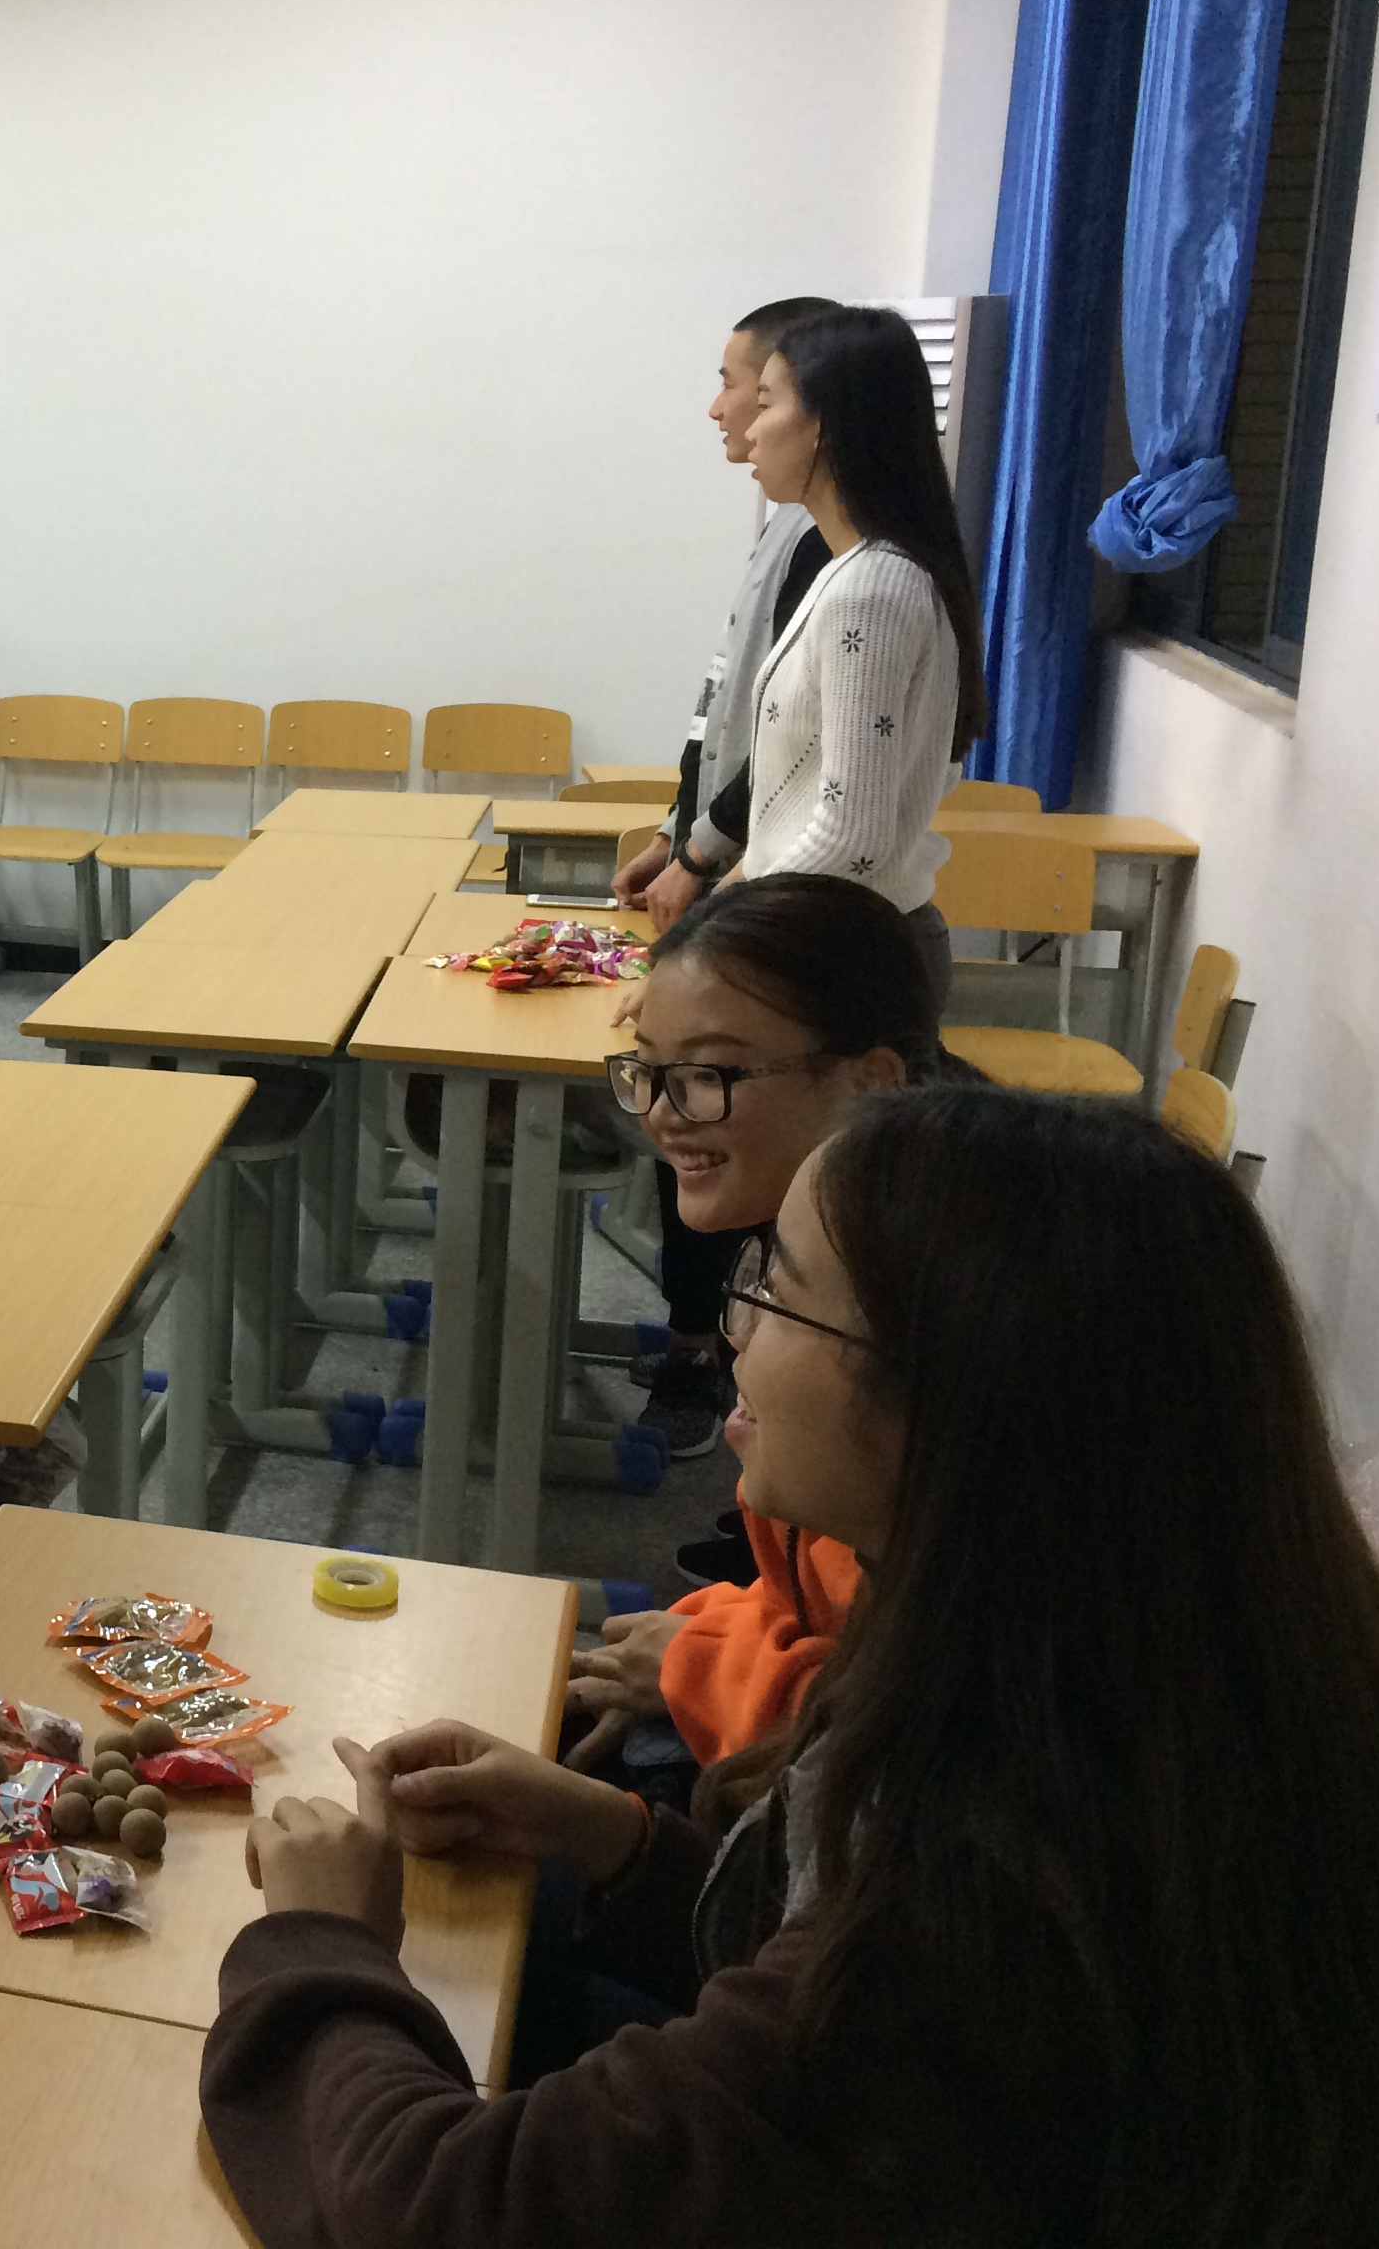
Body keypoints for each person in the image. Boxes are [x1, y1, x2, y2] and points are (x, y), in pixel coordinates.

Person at [206, 1088, 1379, 2246]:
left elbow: (430, 2212)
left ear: (945, 1401)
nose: (738, 1332)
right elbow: (804, 1968)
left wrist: (323, 1939)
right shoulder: (1123, 1651)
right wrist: (611, 1839)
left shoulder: (982, 1903)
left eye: (777, 1293)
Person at [564, 875, 944, 1816]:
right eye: (647, 1069)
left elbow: (919, 1724)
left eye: (711, 1074)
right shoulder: (845, 1257)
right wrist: (708, 1634)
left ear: (872, 1082)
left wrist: (699, 1667)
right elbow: (811, 1600)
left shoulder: (920, 1347)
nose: (662, 1113)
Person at [614, 294, 840, 1456]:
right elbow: (725, 712)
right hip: (725, 864)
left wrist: (708, 855)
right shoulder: (781, 530)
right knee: (693, 1122)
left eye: (738, 382)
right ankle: (701, 1342)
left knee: (722, 1132)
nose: (720, 407)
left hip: (767, 893)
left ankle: (713, 1362)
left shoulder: (841, 562)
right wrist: (678, 827)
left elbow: (797, 751)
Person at [733, 305, 986, 1002]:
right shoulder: (855, 572)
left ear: (824, 423)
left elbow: (851, 841)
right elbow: (794, 808)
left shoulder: (871, 590)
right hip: (827, 932)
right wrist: (712, 915)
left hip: (842, 949)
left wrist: (724, 946)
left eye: (766, 404)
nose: (750, 430)